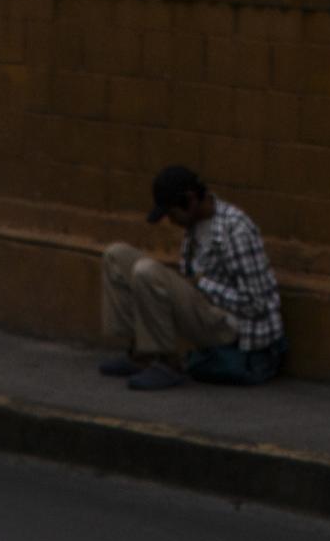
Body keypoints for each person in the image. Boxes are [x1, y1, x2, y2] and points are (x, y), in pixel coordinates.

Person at [98, 165, 286, 393]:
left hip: (235, 328)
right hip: (205, 311)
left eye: (172, 213)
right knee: (115, 255)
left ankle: (168, 364)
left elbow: (255, 304)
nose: (171, 221)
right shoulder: (195, 224)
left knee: (147, 272)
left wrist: (201, 284)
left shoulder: (236, 231)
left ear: (190, 200)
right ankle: (142, 353)